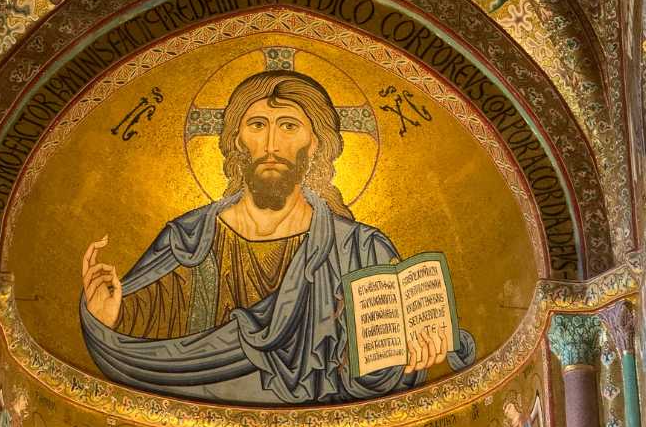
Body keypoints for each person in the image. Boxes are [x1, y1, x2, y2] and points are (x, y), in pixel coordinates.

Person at [79, 71, 444, 404]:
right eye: (257, 125)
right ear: (237, 139)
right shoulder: (188, 241)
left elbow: (366, 384)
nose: (271, 143)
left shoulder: (360, 250)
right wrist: (106, 320)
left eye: (288, 126)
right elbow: (144, 347)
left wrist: (410, 360)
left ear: (315, 143)